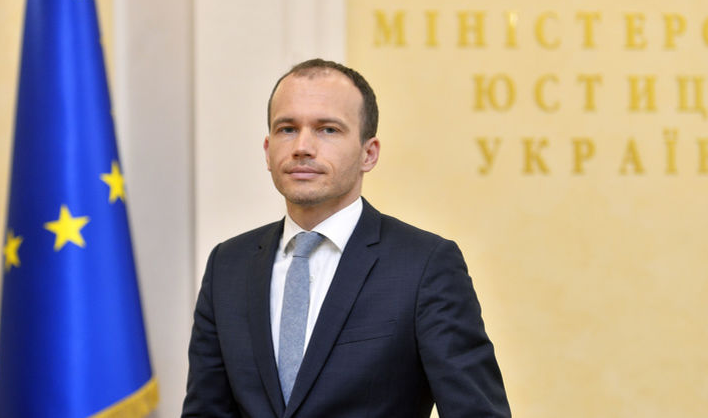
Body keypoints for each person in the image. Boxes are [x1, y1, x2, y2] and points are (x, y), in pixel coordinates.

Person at [182, 59, 511, 417]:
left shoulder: (425, 266)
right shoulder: (228, 265)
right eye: (287, 129)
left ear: (369, 153)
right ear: (267, 150)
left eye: (328, 129)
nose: (302, 146)